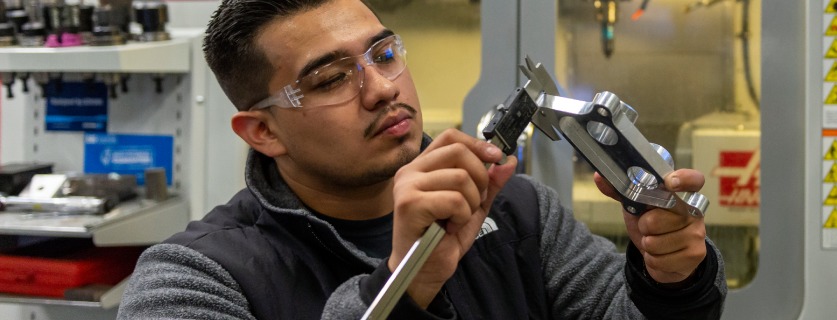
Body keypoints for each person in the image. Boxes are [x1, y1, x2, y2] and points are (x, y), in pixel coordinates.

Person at [117, 0, 726, 318]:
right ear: (262, 131)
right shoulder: (193, 280)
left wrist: (670, 278)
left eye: (384, 54)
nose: (382, 88)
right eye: (331, 78)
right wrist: (403, 287)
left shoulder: (515, 209)